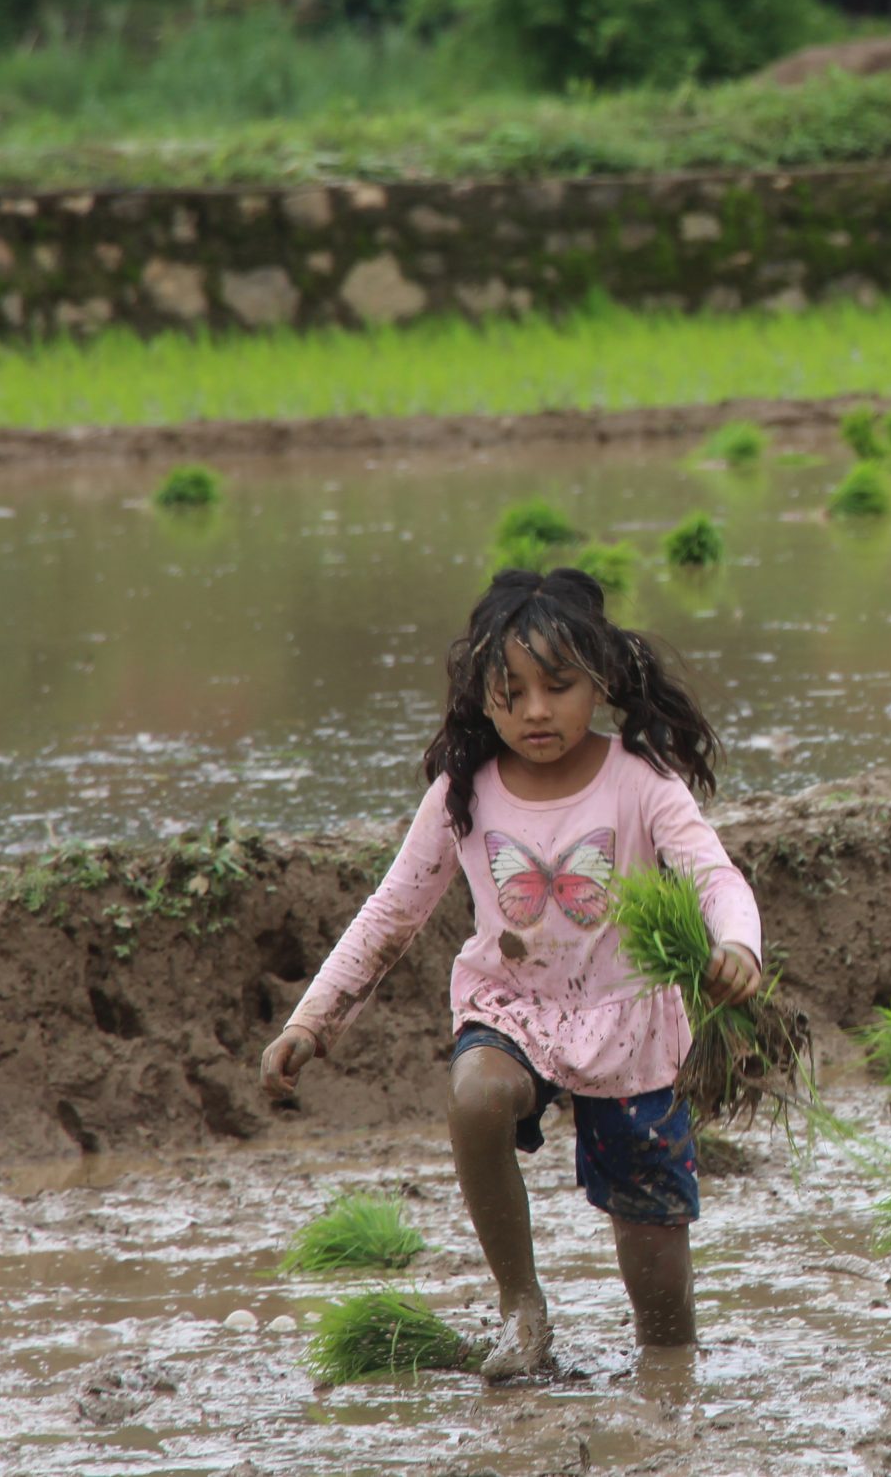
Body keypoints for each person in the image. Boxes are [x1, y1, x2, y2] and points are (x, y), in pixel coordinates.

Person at [258, 566, 761, 1381]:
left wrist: (737, 945)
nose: (535, 710)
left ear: (601, 682)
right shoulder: (464, 791)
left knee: (661, 1296)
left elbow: (715, 875)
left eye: (558, 687)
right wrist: (310, 1020)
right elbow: (391, 913)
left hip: (628, 1017)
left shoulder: (641, 781)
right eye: (511, 691)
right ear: (482, 698)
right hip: (512, 1006)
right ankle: (522, 1307)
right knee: (476, 1094)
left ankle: (670, 1384)